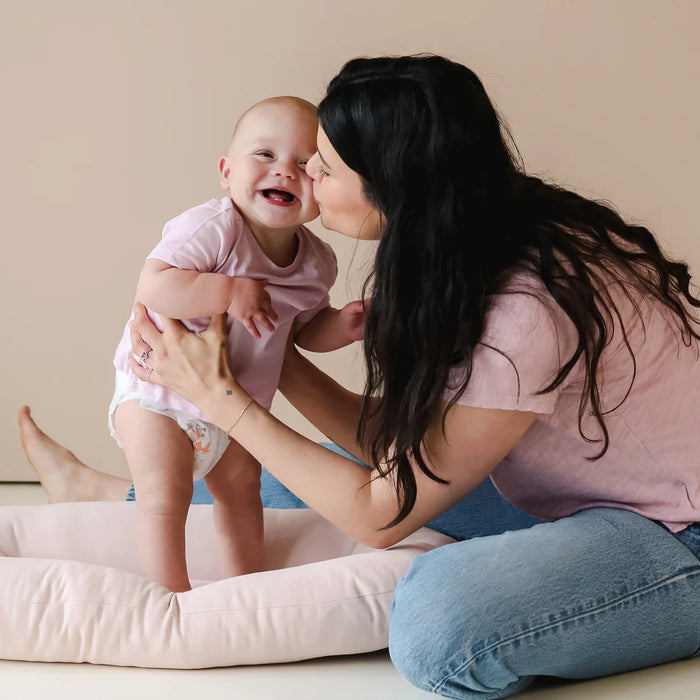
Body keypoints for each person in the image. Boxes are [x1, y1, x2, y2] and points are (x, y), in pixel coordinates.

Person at [18, 55, 700, 698]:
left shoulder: (525, 311)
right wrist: (260, 340)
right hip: (580, 479)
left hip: (671, 527)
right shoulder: (478, 239)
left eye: (325, 167)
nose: (304, 175)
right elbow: (406, 440)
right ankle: (119, 492)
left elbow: (381, 516)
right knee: (296, 471)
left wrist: (223, 399)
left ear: (393, 190)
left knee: (438, 624)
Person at [107, 96, 366, 591]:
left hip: (235, 408)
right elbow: (154, 285)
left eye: (305, 164)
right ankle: (173, 599)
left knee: (245, 493)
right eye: (264, 155)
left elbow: (304, 331)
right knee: (166, 495)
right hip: (157, 395)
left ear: (324, 187)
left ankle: (244, 587)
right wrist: (228, 290)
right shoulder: (214, 228)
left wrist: (343, 326)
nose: (285, 171)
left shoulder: (317, 263)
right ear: (227, 171)